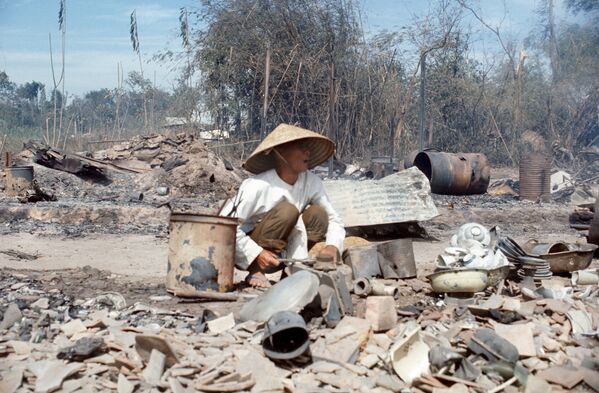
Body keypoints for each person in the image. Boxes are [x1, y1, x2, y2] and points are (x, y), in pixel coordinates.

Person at [220, 123, 345, 288]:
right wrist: (256, 254)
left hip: (284, 252)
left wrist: (332, 246)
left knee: (318, 214)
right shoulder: (257, 185)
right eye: (300, 147)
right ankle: (256, 271)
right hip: (251, 252)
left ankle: (290, 270)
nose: (307, 152)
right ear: (281, 153)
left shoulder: (311, 182)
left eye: (307, 148)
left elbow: (334, 218)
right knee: (287, 210)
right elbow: (223, 226)